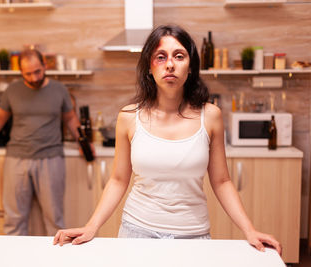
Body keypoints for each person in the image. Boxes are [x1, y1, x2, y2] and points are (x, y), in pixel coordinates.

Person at [53, 25, 281, 255]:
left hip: (193, 235)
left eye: (179, 56)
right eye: (160, 57)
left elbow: (221, 181)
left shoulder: (210, 116)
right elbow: (118, 179)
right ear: (149, 68)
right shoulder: (129, 117)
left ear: (190, 67)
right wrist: (91, 227)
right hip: (136, 233)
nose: (170, 64)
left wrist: (249, 230)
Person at [0, 49, 82, 236]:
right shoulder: (12, 90)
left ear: (44, 65)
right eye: (28, 73)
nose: (34, 77)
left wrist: (83, 144)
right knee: (14, 220)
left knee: (55, 220)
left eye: (37, 71)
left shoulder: (59, 90)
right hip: (17, 159)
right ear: (20, 71)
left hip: (51, 159)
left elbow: (70, 119)